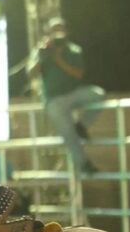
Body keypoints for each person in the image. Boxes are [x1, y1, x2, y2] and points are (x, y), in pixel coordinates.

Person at [27, 16, 104, 174]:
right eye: (54, 30)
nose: (57, 33)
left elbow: (78, 74)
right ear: (48, 33)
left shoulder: (74, 50)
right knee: (68, 134)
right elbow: (31, 74)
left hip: (74, 93)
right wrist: (43, 56)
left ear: (66, 32)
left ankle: (81, 125)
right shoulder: (41, 50)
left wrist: (58, 59)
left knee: (97, 95)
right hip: (54, 100)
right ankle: (84, 165)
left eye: (60, 29)